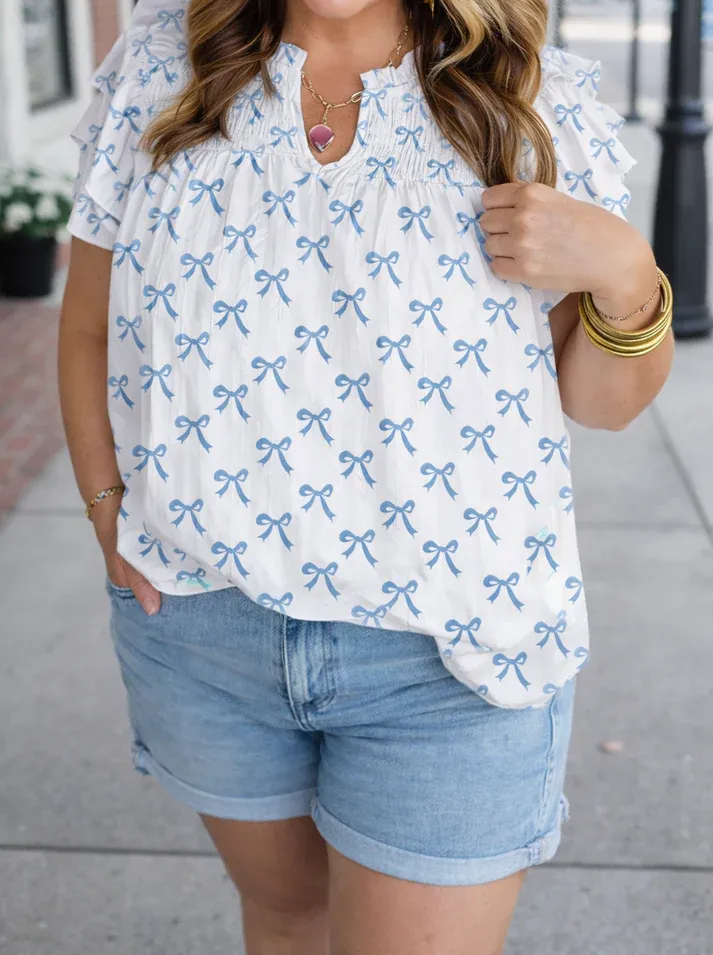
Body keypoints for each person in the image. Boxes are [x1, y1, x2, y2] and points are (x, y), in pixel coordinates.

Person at [58, 0, 673, 951]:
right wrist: (106, 507)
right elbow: (91, 324)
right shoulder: (160, 65)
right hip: (201, 626)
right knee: (284, 918)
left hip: (450, 657)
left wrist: (626, 277)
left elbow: (600, 401)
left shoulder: (523, 96)